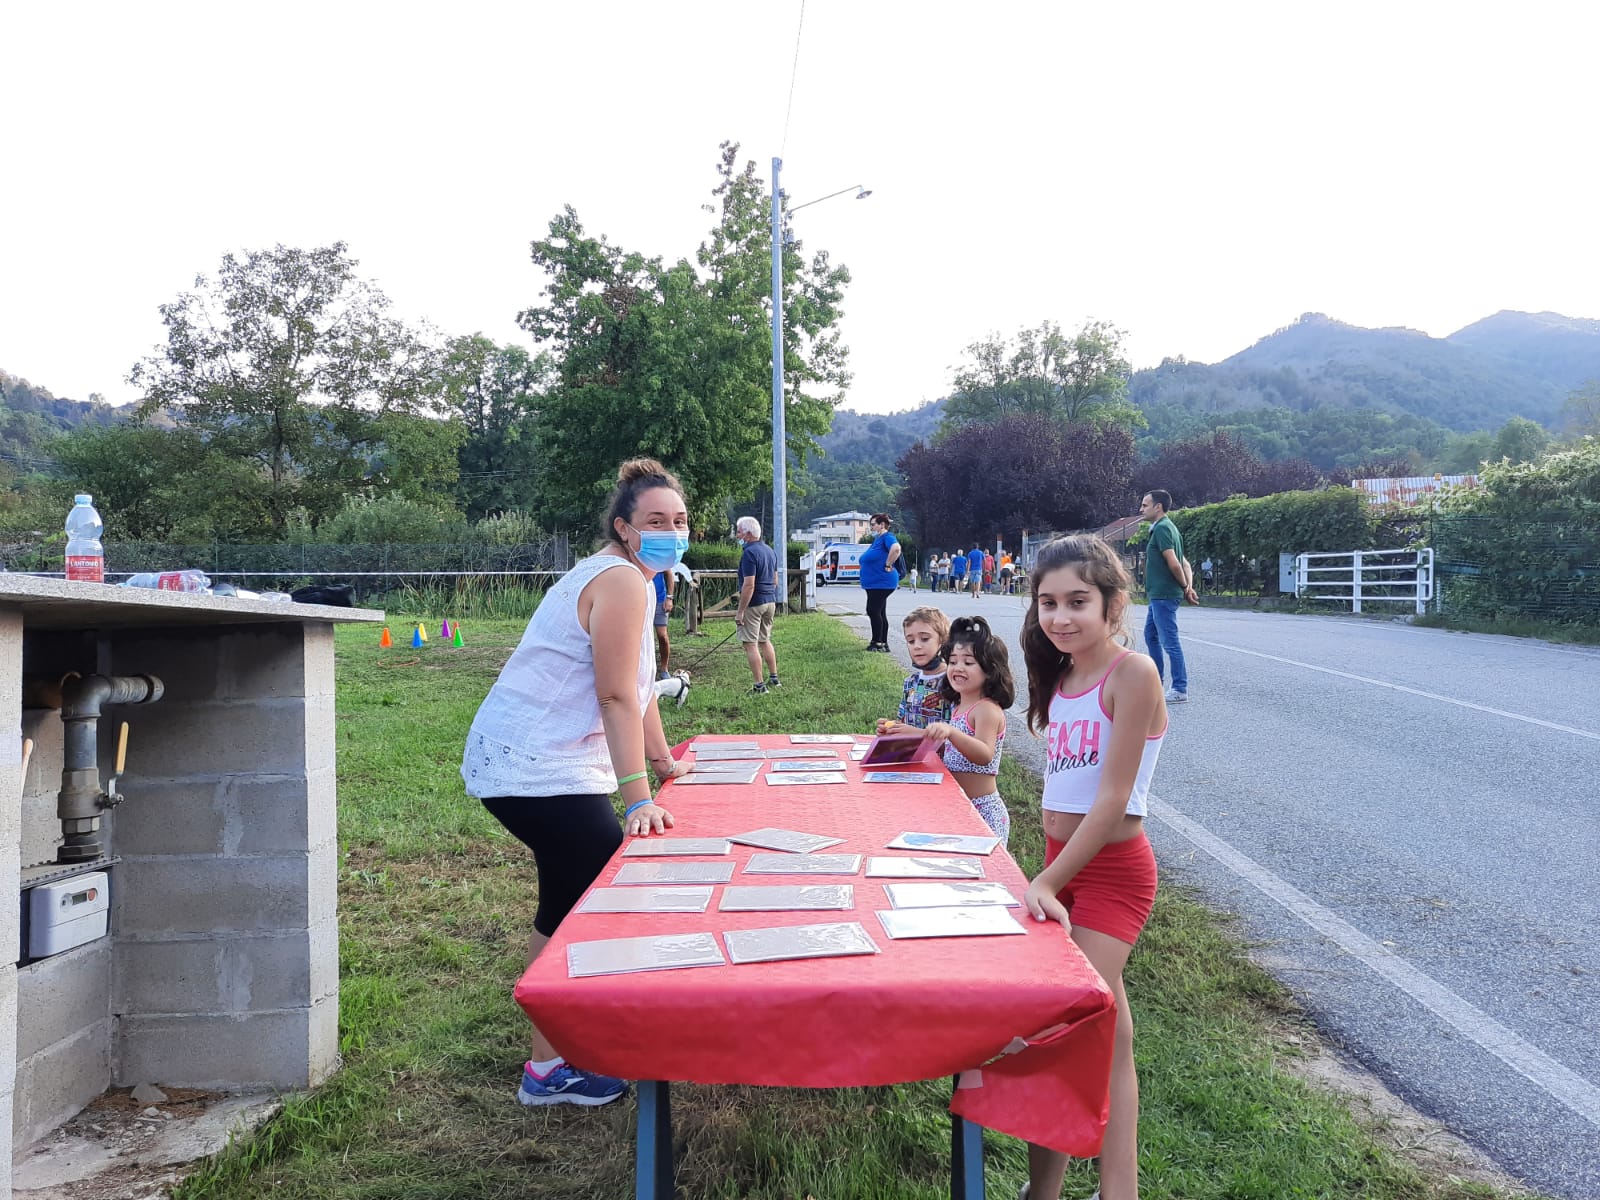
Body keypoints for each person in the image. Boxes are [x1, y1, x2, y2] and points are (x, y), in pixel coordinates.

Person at [461, 458, 693, 1108]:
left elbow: (638, 686)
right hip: (533, 765)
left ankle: (557, 1053)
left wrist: (663, 762)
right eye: (655, 521)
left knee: (568, 898)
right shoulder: (621, 580)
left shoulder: (634, 577)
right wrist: (638, 797)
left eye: (679, 520)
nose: (671, 531)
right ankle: (552, 1065)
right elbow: (614, 695)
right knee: (591, 897)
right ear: (624, 527)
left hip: (533, 761)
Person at [1016, 534, 1167, 1200]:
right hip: (1061, 866)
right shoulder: (1062, 676)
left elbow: (1112, 800)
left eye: (1077, 601)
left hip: (1112, 876)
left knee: (1062, 1028)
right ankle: (1061, 1190)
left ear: (1112, 603)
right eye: (1047, 602)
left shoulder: (1133, 673)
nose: (1060, 616)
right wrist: (1051, 869)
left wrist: (1048, 880)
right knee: (1110, 1037)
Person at [921, 615, 1013, 844]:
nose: (958, 668)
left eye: (968, 663)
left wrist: (951, 733)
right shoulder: (958, 707)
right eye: (953, 662)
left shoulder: (986, 710)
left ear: (990, 670)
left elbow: (984, 754)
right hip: (958, 806)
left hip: (983, 810)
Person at [1138, 489, 1198, 703]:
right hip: (1158, 595)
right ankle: (1156, 683)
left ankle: (1180, 688)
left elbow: (1174, 563)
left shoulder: (1163, 528)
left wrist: (1185, 587)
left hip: (1164, 595)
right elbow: (1185, 563)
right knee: (1150, 635)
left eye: (1145, 505)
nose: (1141, 509)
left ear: (1158, 507)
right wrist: (1188, 587)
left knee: (1169, 641)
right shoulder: (1167, 528)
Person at [875, 605, 953, 733]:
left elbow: (958, 733)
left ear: (943, 641)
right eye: (911, 641)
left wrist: (915, 732)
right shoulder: (910, 682)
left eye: (925, 639)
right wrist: (892, 728)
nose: (917, 646)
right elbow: (904, 721)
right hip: (912, 746)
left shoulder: (952, 681)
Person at [734, 516, 781, 694]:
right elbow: (775, 580)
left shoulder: (749, 553)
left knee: (750, 644)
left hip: (754, 603)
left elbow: (749, 585)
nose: (737, 535)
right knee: (765, 639)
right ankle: (774, 678)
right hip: (770, 601)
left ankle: (759, 686)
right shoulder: (770, 551)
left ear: (748, 534)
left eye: (739, 532)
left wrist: (741, 611)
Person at [858, 513, 901, 652]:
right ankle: (883, 643)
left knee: (873, 610)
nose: (871, 527)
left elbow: (896, 548)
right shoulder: (878, 539)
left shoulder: (887, 537)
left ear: (882, 525)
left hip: (882, 582)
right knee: (880, 612)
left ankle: (877, 643)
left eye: (873, 524)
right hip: (875, 583)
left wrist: (888, 564)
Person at [652, 569, 673, 680]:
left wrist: (669, 598)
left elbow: (669, 574)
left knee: (662, 636)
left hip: (660, 600)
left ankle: (664, 669)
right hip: (641, 598)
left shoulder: (659, 558)